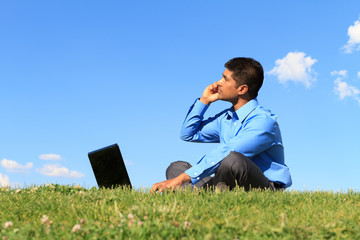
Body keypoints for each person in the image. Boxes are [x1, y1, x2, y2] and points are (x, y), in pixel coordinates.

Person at [151, 57, 292, 193]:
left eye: (225, 79)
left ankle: (198, 194)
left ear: (242, 89)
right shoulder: (225, 118)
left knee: (232, 159)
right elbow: (188, 134)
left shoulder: (264, 122)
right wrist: (204, 101)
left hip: (262, 187)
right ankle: (206, 194)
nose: (218, 83)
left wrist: (181, 180)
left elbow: (228, 151)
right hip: (227, 180)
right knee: (176, 167)